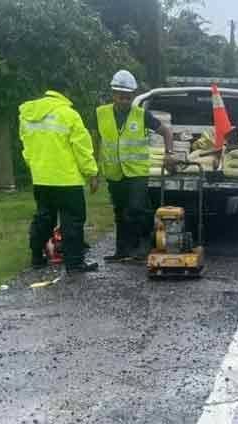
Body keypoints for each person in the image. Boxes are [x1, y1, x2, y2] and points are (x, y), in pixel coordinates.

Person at [19, 80, 100, 273]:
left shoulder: (28, 115)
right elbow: (81, 148)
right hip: (67, 181)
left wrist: (36, 167)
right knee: (72, 221)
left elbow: (26, 147)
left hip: (41, 179)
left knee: (44, 218)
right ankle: (74, 263)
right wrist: (92, 173)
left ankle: (37, 257)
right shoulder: (69, 115)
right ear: (66, 91)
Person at [96, 70, 175, 262]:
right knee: (120, 211)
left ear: (133, 96)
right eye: (121, 96)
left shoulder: (141, 114)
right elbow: (97, 140)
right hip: (114, 172)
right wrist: (94, 172)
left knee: (137, 209)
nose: (124, 100)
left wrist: (169, 154)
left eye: (128, 97)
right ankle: (121, 250)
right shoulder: (101, 113)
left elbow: (166, 131)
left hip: (136, 172)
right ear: (113, 94)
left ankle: (144, 244)